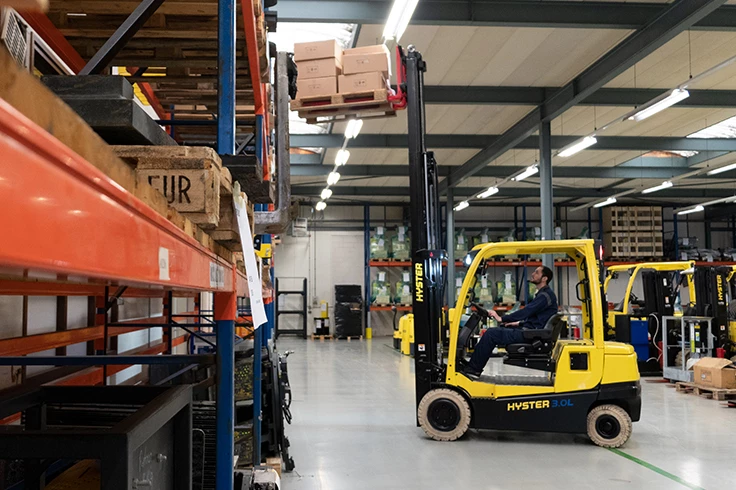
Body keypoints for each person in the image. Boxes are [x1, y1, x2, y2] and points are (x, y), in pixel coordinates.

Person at [463, 265, 558, 378]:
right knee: (498, 330)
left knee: (491, 334)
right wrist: (518, 323)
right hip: (531, 331)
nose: (533, 274)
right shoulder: (544, 295)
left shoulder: (544, 296)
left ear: (544, 278)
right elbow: (537, 319)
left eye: (537, 272)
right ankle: (472, 366)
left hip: (531, 335)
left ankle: (473, 370)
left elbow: (526, 312)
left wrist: (502, 318)